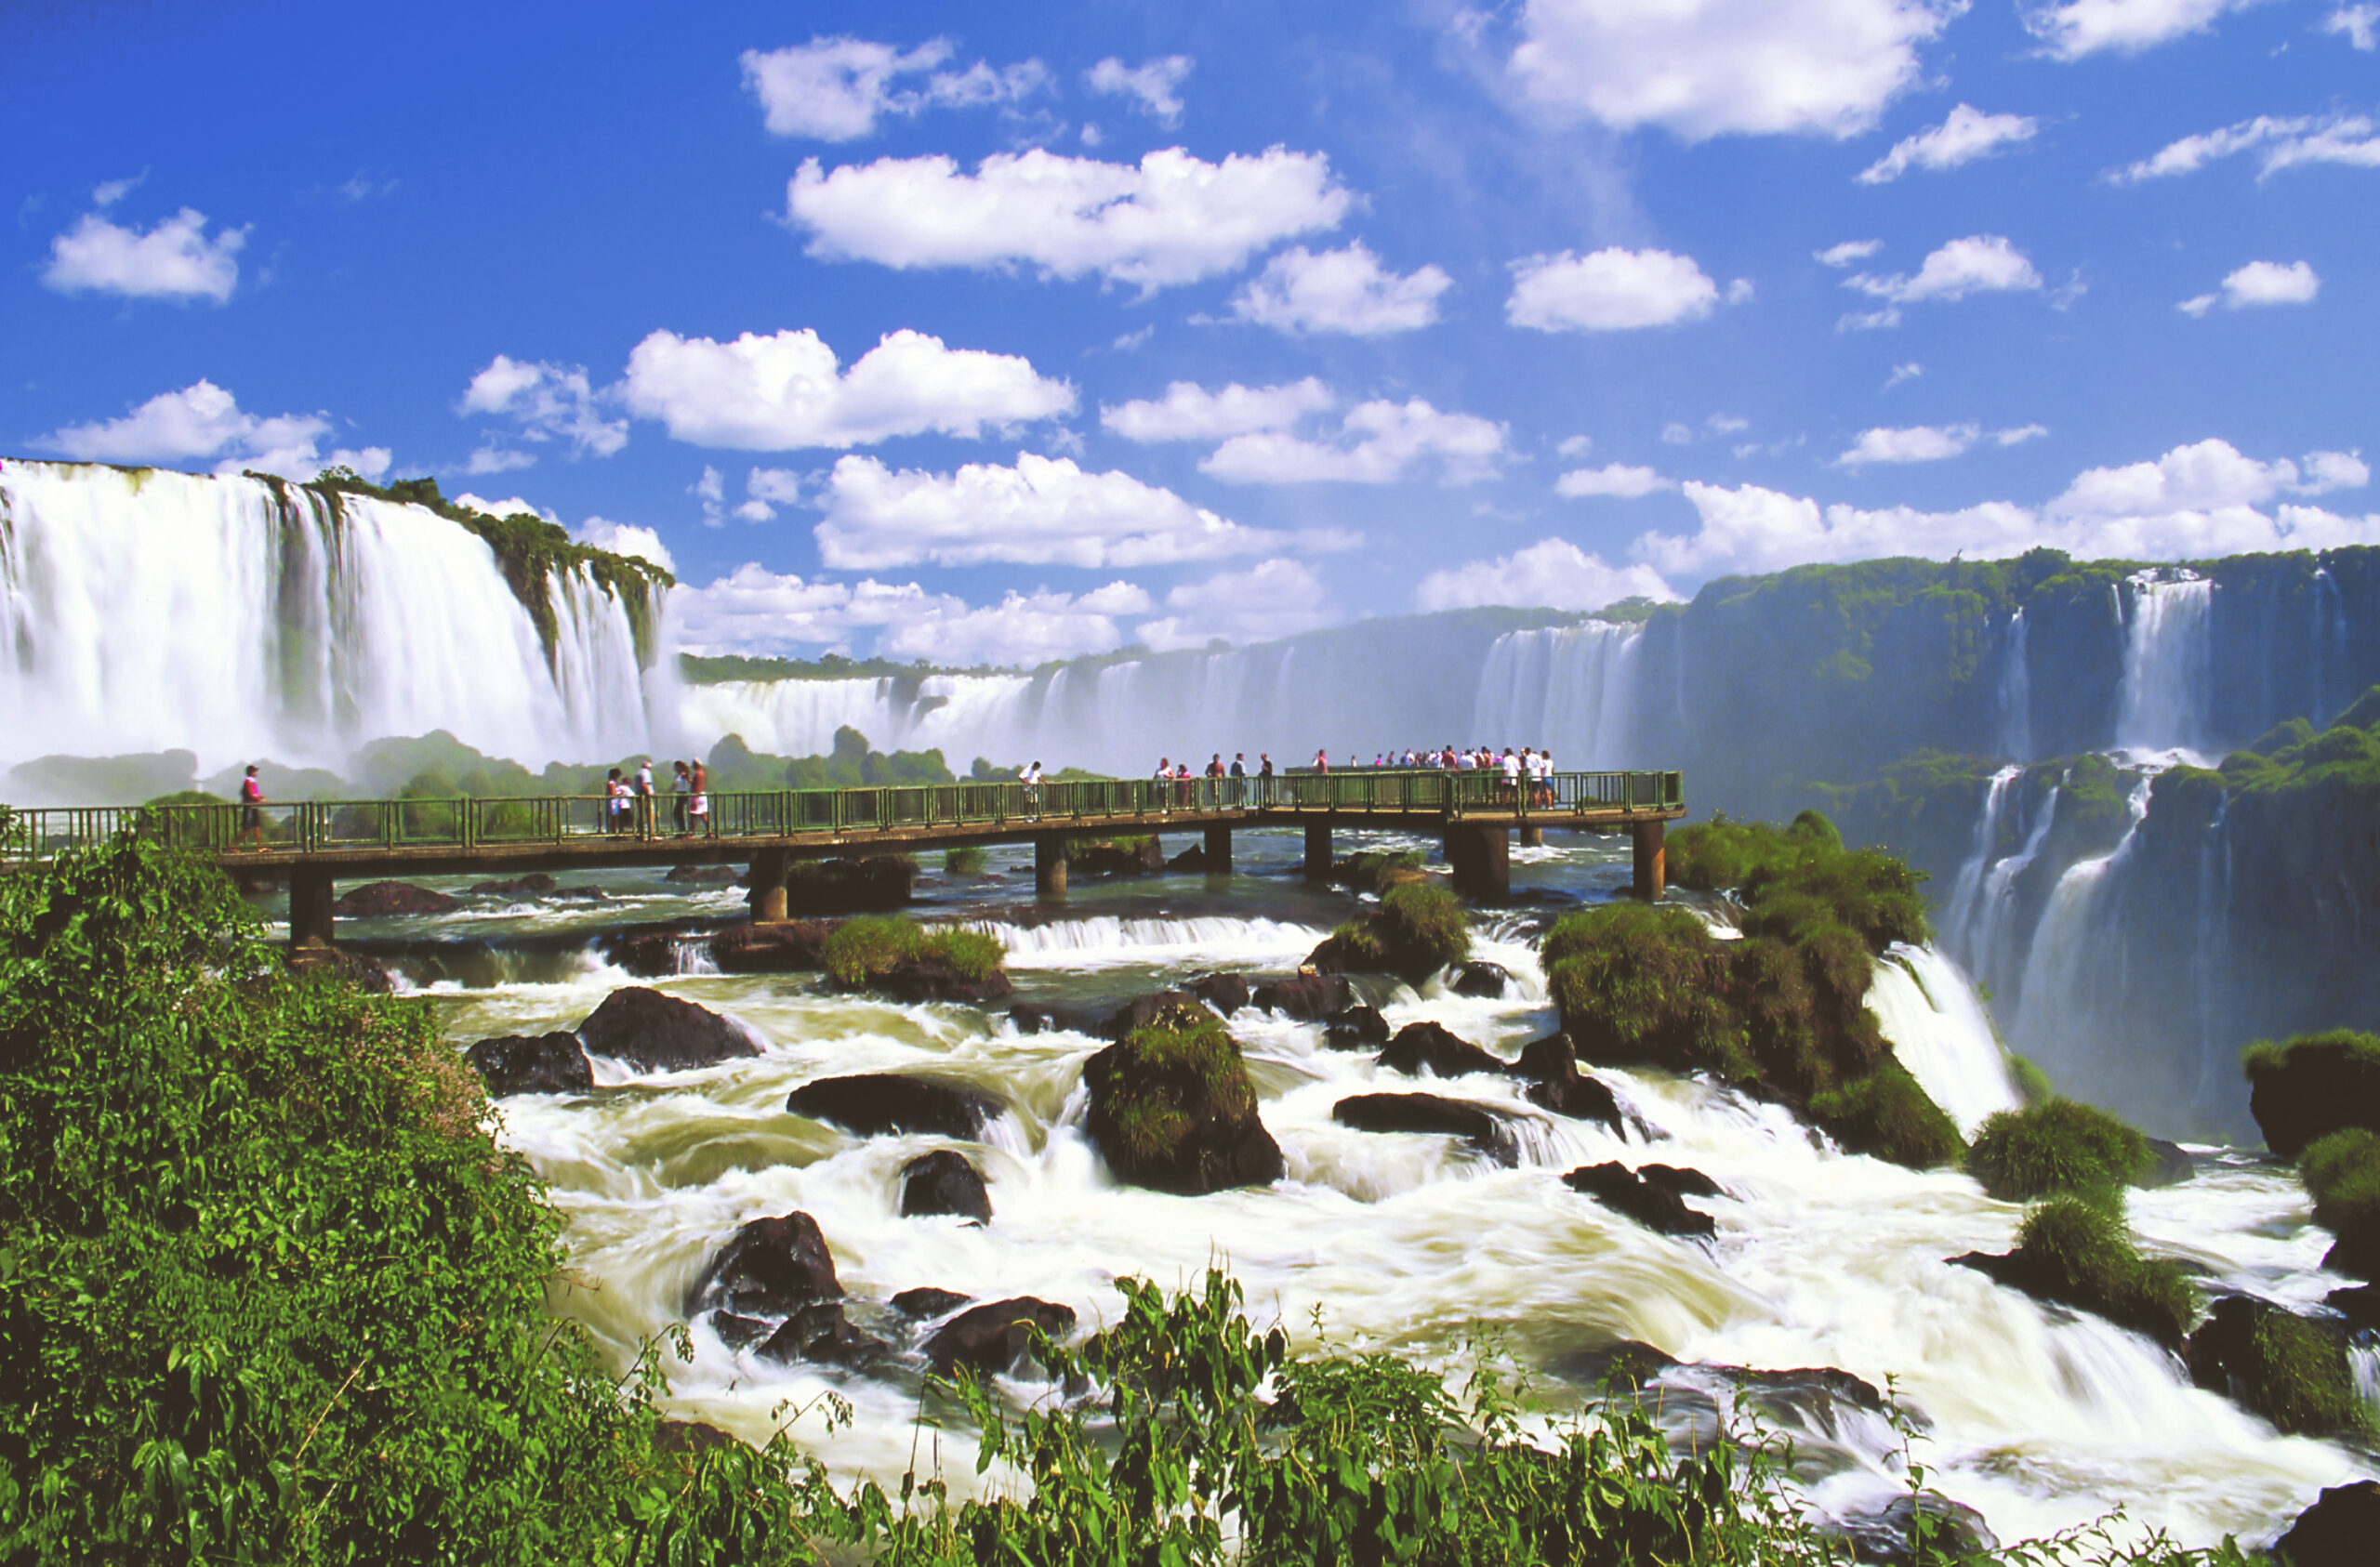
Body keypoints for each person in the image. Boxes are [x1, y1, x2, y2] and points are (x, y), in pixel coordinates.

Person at [239, 765, 265, 850]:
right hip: (249, 807)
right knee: (246, 829)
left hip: (253, 806)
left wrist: (259, 797)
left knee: (256, 826)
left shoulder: (252, 781)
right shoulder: (248, 781)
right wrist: (259, 798)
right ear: (251, 772)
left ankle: (259, 847)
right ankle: (232, 846)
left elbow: (254, 794)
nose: (256, 773)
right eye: (255, 771)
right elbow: (251, 794)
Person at [634, 757, 656, 838]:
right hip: (646, 797)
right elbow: (645, 784)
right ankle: (651, 834)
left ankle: (641, 834)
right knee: (651, 814)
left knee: (641, 816)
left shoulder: (639, 772)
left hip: (640, 796)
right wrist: (649, 794)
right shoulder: (646, 772)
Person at [688, 759, 709, 836]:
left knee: (693, 815)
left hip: (697, 796)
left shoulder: (697, 773)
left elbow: (697, 786)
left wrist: (695, 800)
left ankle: (691, 834)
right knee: (704, 816)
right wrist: (689, 779)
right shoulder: (702, 773)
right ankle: (709, 832)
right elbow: (696, 783)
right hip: (702, 795)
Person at [671, 760, 692, 836]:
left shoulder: (683, 775)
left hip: (683, 794)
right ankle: (681, 830)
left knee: (678, 813)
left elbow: (676, 784)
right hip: (679, 793)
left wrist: (670, 791)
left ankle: (682, 831)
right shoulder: (678, 775)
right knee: (678, 813)